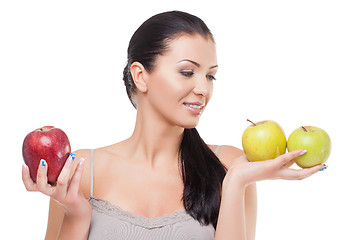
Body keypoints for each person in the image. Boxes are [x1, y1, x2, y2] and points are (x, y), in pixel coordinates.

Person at [22, 10, 325, 240]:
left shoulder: (232, 165)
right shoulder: (80, 170)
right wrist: (75, 212)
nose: (203, 89)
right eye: (187, 72)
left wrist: (235, 183)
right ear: (141, 76)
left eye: (210, 75)